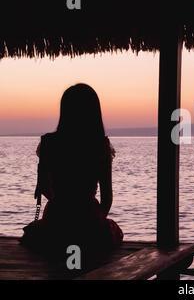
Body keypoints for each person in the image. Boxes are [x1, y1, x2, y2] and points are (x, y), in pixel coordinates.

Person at [20, 84, 123, 257]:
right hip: (89, 217)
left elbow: (44, 187)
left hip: (56, 218)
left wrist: (63, 204)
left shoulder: (49, 144)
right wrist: (93, 220)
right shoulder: (100, 145)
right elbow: (107, 198)